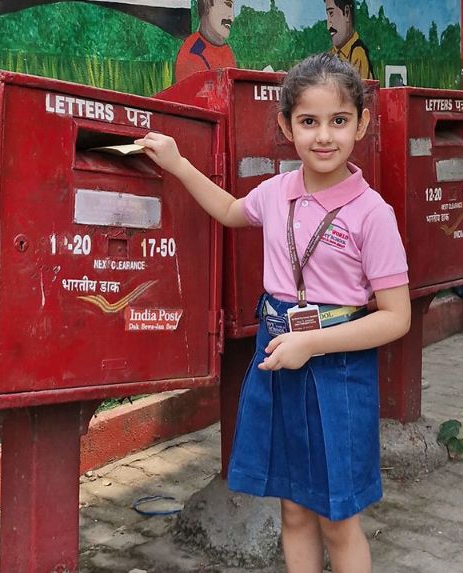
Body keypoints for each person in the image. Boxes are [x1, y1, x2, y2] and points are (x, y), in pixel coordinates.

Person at [136, 53, 410, 572]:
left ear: (362, 123)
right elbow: (228, 210)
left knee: (338, 518)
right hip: (278, 360)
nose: (323, 136)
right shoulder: (275, 192)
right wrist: (176, 163)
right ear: (286, 126)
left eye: (338, 120)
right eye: (308, 122)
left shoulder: (373, 214)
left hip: (338, 369)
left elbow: (396, 317)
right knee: (292, 509)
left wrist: (313, 343)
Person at [174, 0, 237, 82]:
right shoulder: (194, 54)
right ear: (206, 4)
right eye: (227, 5)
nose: (232, 18)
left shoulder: (227, 52)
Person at [325, 0, 374, 80]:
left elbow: (356, 90)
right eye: (327, 15)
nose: (328, 26)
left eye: (331, 13)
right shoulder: (332, 54)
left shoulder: (357, 53)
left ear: (347, 13)